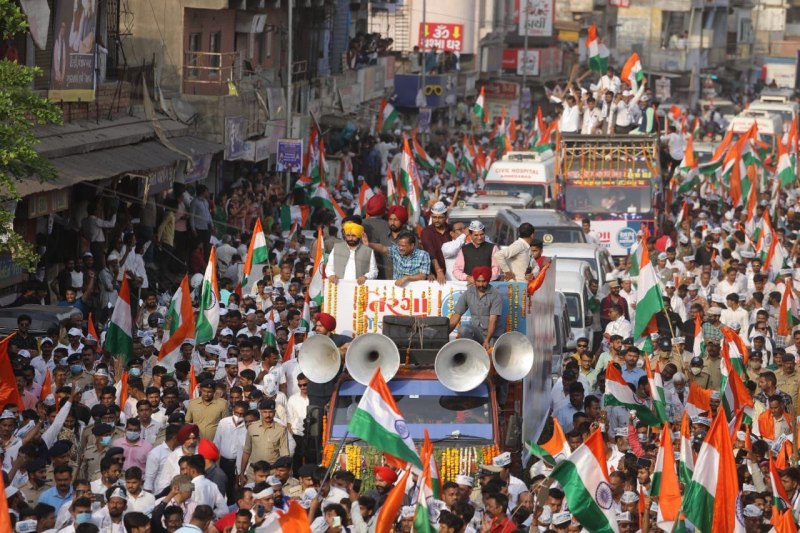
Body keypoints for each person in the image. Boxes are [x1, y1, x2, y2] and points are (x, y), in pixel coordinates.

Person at [448, 267, 503, 351]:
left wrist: (487, 340)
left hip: (492, 334)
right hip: (477, 332)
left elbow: (493, 320)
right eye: (478, 281)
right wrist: (444, 335)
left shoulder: (495, 294)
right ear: (475, 281)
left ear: (488, 280)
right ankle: (472, 351)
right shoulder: (468, 293)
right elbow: (456, 315)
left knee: (491, 356)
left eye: (484, 281)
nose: (481, 284)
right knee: (463, 329)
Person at [364, 230, 431, 286]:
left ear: (412, 245)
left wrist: (407, 278)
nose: (400, 248)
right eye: (399, 245)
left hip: (415, 290)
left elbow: (423, 276)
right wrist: (369, 244)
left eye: (403, 246)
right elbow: (383, 248)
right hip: (397, 289)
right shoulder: (396, 250)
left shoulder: (423, 255)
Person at [325, 220, 378, 284]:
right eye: (348, 235)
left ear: (359, 236)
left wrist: (365, 277)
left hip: (358, 289)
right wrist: (331, 275)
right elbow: (329, 266)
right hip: (338, 287)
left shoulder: (368, 251)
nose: (350, 239)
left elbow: (374, 271)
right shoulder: (337, 248)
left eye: (353, 236)